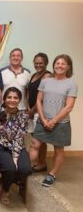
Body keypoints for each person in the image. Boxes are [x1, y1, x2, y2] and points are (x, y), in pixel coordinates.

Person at [31, 54, 77, 187]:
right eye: (57, 63)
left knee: (58, 150)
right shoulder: (46, 81)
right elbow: (39, 101)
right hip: (43, 120)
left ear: (68, 67)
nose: (60, 66)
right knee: (35, 144)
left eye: (63, 64)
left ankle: (52, 174)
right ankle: (26, 169)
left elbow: (69, 107)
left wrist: (53, 121)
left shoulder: (71, 84)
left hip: (60, 123)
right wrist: (44, 119)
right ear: (54, 65)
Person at [0, 87, 31, 205]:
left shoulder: (23, 116)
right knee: (10, 169)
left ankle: (2, 184)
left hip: (17, 147)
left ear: (19, 100)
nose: (12, 100)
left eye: (15, 98)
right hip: (1, 147)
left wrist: (15, 157)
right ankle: (6, 190)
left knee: (25, 169)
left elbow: (20, 137)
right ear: (4, 99)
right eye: (9, 97)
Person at [27, 53, 51, 172]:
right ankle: (40, 162)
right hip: (31, 111)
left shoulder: (47, 76)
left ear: (46, 63)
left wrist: (32, 111)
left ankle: (41, 163)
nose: (38, 65)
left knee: (39, 140)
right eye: (36, 62)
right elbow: (29, 92)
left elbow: (42, 97)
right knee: (37, 138)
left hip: (39, 112)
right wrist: (28, 106)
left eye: (40, 62)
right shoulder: (34, 75)